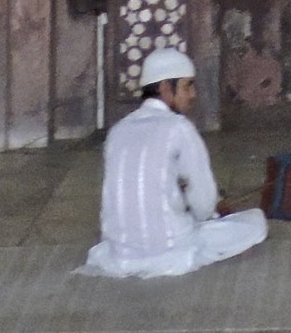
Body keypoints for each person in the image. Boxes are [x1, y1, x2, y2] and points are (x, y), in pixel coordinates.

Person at [81, 48, 269, 278]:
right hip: (174, 255)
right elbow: (204, 203)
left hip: (119, 256)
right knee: (255, 222)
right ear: (165, 88)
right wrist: (209, 211)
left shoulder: (118, 131)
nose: (193, 94)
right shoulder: (179, 128)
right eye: (187, 86)